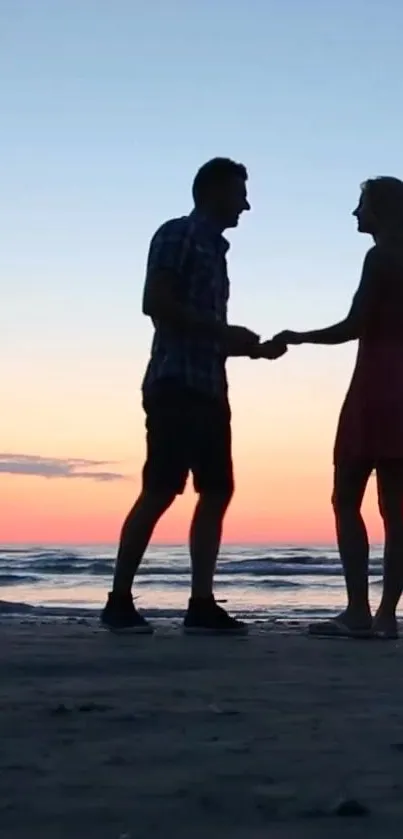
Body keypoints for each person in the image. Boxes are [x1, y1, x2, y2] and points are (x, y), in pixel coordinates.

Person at [102, 157, 286, 635]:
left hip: (208, 386)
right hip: (175, 383)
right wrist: (224, 330)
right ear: (214, 191)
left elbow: (201, 328)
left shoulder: (215, 250)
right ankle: (119, 599)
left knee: (218, 490)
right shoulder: (178, 233)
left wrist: (249, 349)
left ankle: (201, 603)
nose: (246, 204)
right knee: (161, 489)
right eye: (239, 193)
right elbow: (156, 304)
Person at [271, 176, 403, 640]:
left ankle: (357, 610)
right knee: (397, 510)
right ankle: (388, 616)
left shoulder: (380, 257)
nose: (355, 213)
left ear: (382, 210)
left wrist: (298, 336)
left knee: (347, 496)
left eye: (361, 204)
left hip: (375, 386)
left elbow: (353, 325)